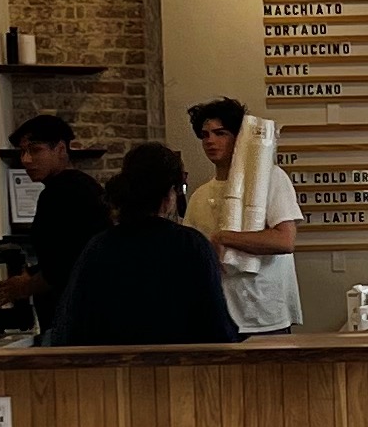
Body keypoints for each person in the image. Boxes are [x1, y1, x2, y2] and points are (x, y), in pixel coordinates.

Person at [51, 141, 241, 344]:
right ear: (170, 194)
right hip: (180, 367)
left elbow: (70, 326)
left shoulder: (99, 246)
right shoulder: (191, 245)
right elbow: (216, 326)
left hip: (111, 368)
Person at [183, 97, 303, 333]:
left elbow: (284, 240)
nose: (211, 141)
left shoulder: (271, 178)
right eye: (205, 135)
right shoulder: (199, 195)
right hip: (222, 317)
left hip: (266, 313)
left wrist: (223, 237)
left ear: (239, 138)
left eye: (220, 133)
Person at [12, 114, 107, 327]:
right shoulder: (84, 185)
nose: (26, 160)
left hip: (73, 316)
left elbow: (66, 265)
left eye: (35, 150)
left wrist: (23, 287)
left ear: (61, 149)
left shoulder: (61, 193)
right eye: (23, 151)